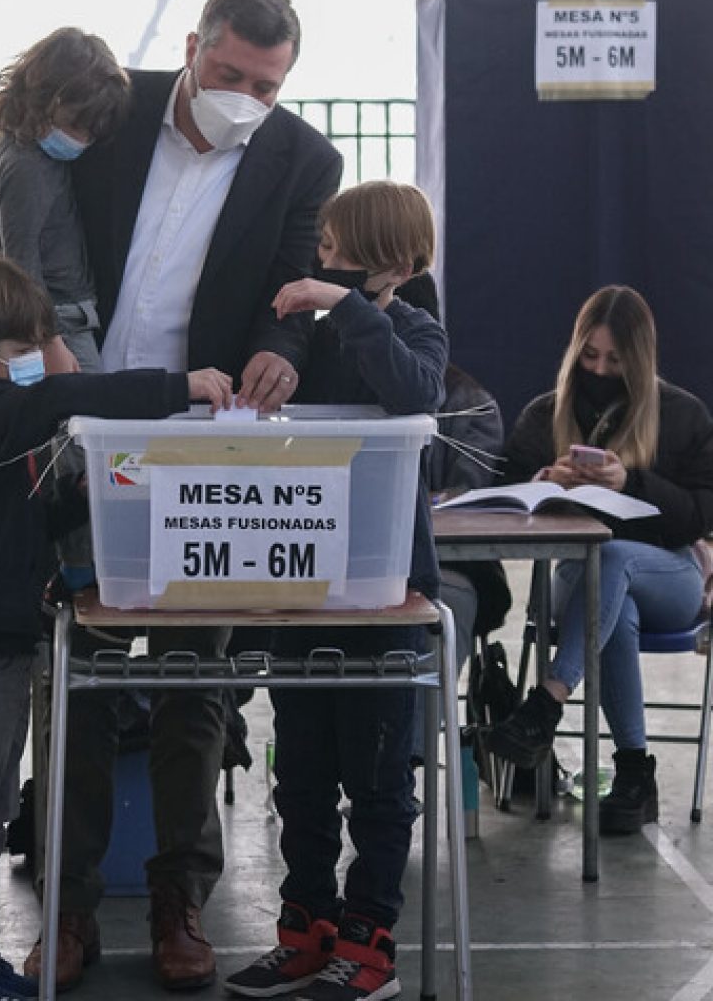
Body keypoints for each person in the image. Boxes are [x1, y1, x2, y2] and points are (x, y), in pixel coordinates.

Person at [31, 0, 343, 993]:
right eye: (227, 74)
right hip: (76, 421)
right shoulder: (112, 111)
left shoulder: (305, 158)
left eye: (267, 86)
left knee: (194, 680)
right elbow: (19, 221)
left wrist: (281, 349)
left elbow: (290, 291)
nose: (244, 98)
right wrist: (36, 346)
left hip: (202, 441)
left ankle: (181, 900)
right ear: (192, 46)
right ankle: (68, 905)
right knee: (71, 672)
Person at [0, 255, 232, 1001]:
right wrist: (183, 386)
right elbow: (76, 391)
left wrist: (99, 501)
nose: (42, 362)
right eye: (26, 349)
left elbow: (24, 518)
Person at [225, 180, 447, 1001]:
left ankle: (369, 940)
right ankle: (307, 925)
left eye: (339, 252)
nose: (322, 262)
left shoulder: (412, 328)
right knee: (302, 773)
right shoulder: (307, 341)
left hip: (385, 595)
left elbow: (413, 392)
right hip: (304, 582)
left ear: (395, 265)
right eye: (321, 247)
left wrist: (347, 306)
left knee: (380, 779)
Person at [487, 285, 713, 835]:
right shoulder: (546, 413)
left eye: (615, 360)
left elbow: (698, 517)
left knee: (609, 562)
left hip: (670, 574)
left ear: (640, 359)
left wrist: (631, 482)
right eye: (589, 356)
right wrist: (545, 480)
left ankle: (548, 701)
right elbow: (500, 495)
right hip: (578, 579)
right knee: (612, 603)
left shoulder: (683, 414)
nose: (600, 369)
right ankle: (634, 773)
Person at [396, 274, 512, 760]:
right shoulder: (343, 392)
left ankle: (411, 758)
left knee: (447, 604)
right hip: (361, 568)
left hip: (450, 565)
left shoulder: (473, 404)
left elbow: (468, 499)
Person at [0, 26, 130, 374]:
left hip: (58, 317)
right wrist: (49, 341)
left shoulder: (14, 138)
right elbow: (21, 264)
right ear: (46, 98)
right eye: (76, 124)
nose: (82, 140)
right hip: (59, 319)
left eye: (91, 131)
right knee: (87, 404)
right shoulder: (27, 166)